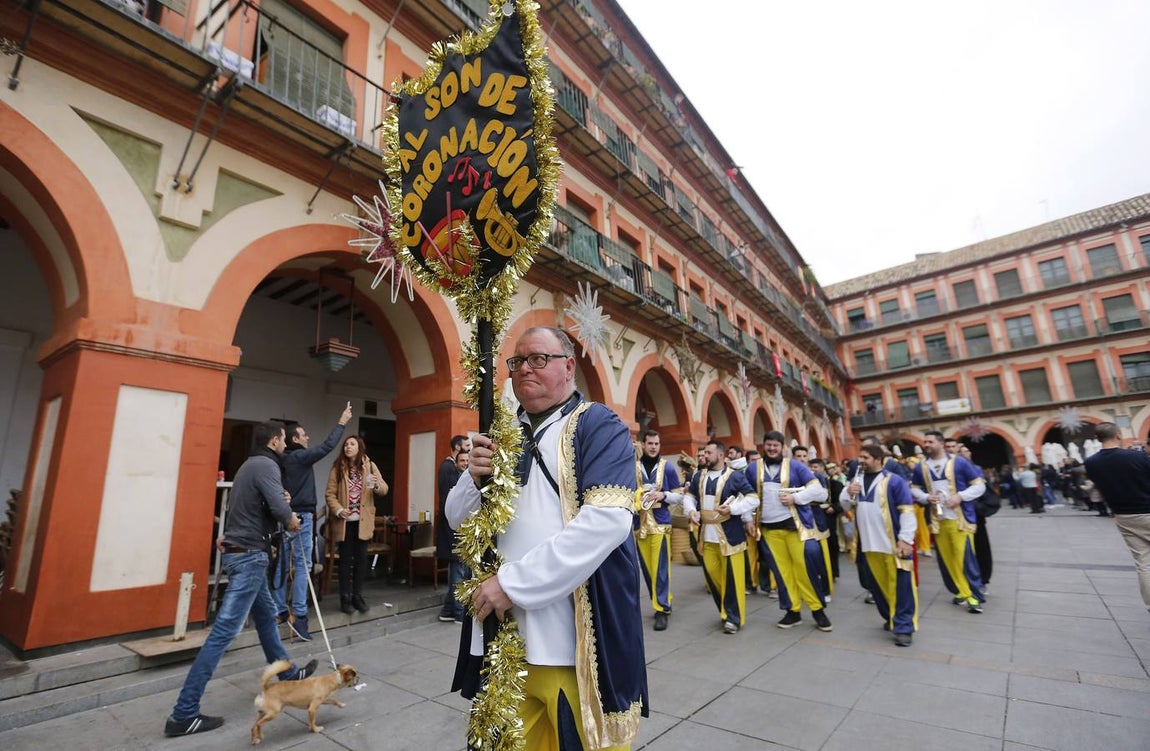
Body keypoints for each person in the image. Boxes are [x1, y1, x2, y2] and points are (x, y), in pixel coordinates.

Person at [447, 326, 647, 750]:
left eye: (538, 359)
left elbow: (608, 522)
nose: (525, 370)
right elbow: (456, 519)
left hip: (572, 640)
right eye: (517, 362)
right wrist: (472, 476)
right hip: (506, 641)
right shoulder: (503, 434)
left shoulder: (598, 424)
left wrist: (512, 584)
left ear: (568, 365)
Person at [164, 422, 317, 737]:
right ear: (275, 441)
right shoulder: (266, 465)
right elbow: (280, 510)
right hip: (250, 555)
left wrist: (278, 503)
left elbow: (250, 507)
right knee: (224, 631)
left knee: (264, 620)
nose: (286, 446)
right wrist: (291, 519)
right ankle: (184, 712)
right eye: (284, 441)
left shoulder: (250, 465)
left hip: (243, 551)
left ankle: (287, 675)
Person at [273, 404, 352, 641]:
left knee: (282, 564)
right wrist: (342, 422)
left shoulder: (280, 460)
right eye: (304, 434)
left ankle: (279, 609)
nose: (307, 437)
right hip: (302, 518)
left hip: (285, 515)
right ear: (295, 438)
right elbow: (327, 447)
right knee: (303, 567)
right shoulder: (298, 456)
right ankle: (299, 617)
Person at [748, 430, 833, 632]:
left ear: (782, 447)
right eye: (768, 444)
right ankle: (792, 611)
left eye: (776, 445)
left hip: (795, 528)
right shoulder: (752, 469)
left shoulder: (795, 466)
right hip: (769, 530)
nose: (771, 448)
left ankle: (817, 610)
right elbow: (747, 496)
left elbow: (820, 492)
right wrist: (747, 519)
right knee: (782, 573)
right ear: (764, 446)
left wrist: (796, 498)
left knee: (804, 570)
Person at [840, 443, 918, 646]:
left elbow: (907, 511)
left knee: (901, 588)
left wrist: (905, 539)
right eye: (860, 457)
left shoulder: (894, 481)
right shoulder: (856, 480)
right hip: (868, 545)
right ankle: (891, 617)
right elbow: (845, 504)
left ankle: (904, 627)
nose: (861, 461)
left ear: (877, 459)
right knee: (878, 588)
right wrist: (848, 492)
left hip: (892, 545)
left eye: (865, 457)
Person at [683, 439, 759, 634]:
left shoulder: (734, 477)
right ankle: (726, 611)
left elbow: (753, 498)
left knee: (733, 580)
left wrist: (732, 509)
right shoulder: (699, 475)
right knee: (713, 578)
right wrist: (691, 510)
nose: (704, 456)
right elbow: (690, 496)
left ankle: (732, 618)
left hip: (730, 538)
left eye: (708, 453)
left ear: (721, 455)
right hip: (706, 537)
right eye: (704, 453)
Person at [910, 430, 986, 614]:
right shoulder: (921, 467)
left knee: (965, 559)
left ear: (941, 443)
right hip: (938, 521)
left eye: (930, 441)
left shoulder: (959, 462)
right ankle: (961, 591)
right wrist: (926, 497)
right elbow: (914, 489)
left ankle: (974, 595)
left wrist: (960, 496)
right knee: (947, 560)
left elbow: (980, 485)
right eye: (924, 442)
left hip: (960, 520)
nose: (926, 445)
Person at [1084, 422, 1150, 612]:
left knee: (1143, 562)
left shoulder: (1091, 462)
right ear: (1119, 435)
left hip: (1123, 515)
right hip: (1147, 509)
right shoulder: (1136, 456)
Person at [325, 435, 388, 614]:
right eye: (345, 445)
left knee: (361, 561)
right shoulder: (337, 467)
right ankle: (344, 598)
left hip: (363, 522)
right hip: (345, 522)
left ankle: (357, 596)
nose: (348, 447)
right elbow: (330, 494)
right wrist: (338, 510)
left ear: (359, 447)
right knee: (345, 562)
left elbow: (384, 489)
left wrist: (376, 485)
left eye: (352, 444)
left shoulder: (370, 466)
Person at [635, 429, 684, 631]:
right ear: (643, 444)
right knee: (648, 570)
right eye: (650, 443)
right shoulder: (633, 467)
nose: (654, 447)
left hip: (661, 525)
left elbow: (679, 495)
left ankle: (662, 608)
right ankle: (661, 600)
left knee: (661, 569)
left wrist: (662, 496)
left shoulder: (668, 468)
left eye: (656, 443)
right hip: (640, 526)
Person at [437, 434, 472, 623]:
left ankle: (448, 610)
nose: (469, 448)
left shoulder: (453, 468)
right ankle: (457, 611)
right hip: (452, 531)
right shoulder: (447, 469)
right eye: (466, 446)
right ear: (457, 448)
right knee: (457, 572)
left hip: (456, 530)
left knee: (458, 571)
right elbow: (449, 503)